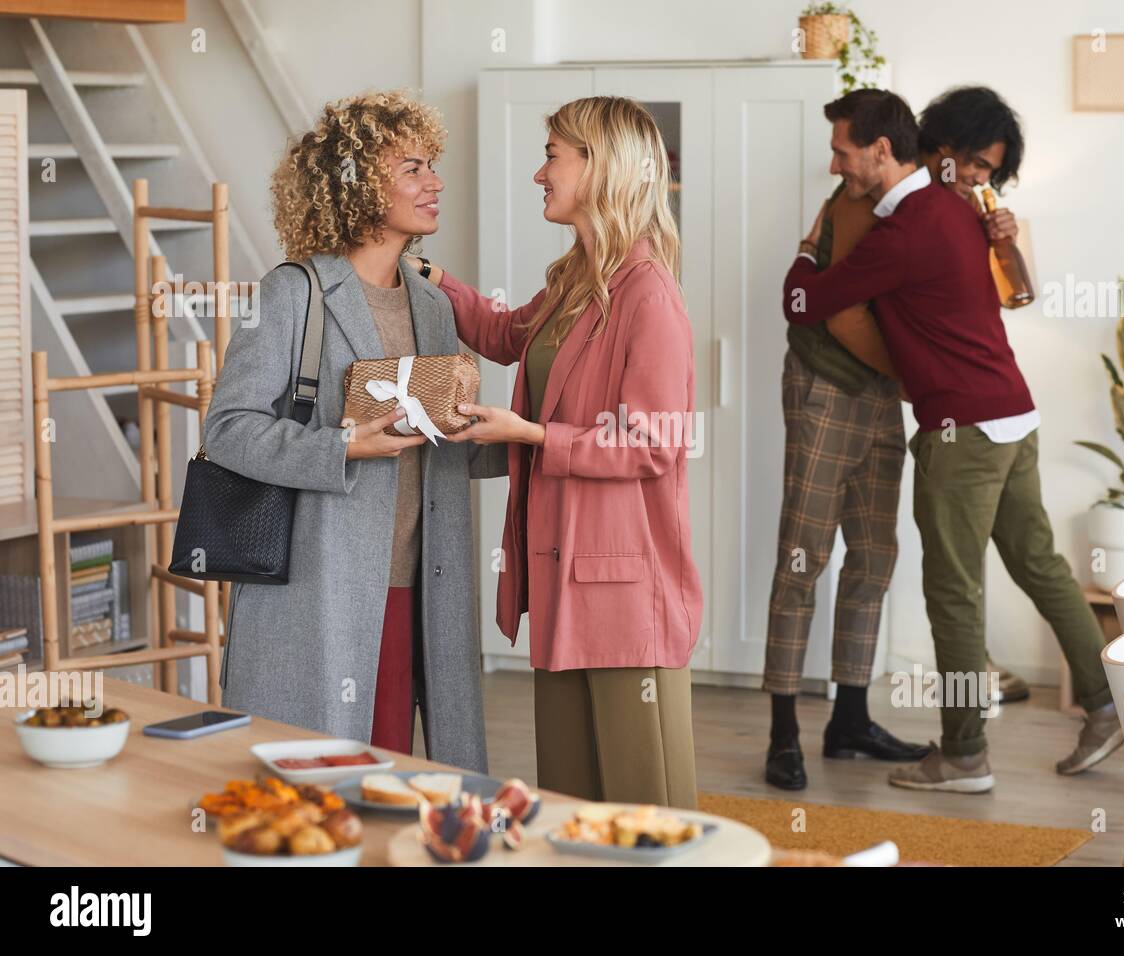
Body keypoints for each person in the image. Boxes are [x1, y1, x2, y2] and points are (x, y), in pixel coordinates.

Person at [783, 89, 1122, 793]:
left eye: (842, 151)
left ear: (886, 150)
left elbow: (806, 303)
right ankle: (1109, 703)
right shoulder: (959, 215)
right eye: (968, 164)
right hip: (1014, 414)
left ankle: (964, 754)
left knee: (954, 594)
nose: (973, 178)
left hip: (961, 430)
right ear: (936, 152)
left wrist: (806, 251)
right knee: (1042, 567)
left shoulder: (908, 227)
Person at [409, 96, 702, 809]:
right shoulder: (578, 278)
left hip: (627, 594)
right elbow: (509, 335)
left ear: (599, 168)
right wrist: (433, 279)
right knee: (572, 805)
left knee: (647, 814)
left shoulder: (647, 295)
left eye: (553, 156)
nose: (540, 173)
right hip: (567, 577)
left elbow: (653, 442)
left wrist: (533, 436)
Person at [205, 90, 504, 770]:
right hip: (322, 591)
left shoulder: (432, 306)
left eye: (433, 167)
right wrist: (343, 445)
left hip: (420, 588)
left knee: (393, 777)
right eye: (414, 168)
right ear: (358, 185)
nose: (436, 183)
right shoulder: (292, 292)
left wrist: (502, 434)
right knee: (320, 780)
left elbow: (433, 445)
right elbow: (228, 429)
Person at [762, 156, 929, 794]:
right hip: (826, 389)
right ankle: (782, 733)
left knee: (874, 556)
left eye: (841, 149)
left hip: (881, 394)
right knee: (802, 559)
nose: (833, 162)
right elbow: (816, 304)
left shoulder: (904, 206)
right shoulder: (852, 197)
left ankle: (850, 719)